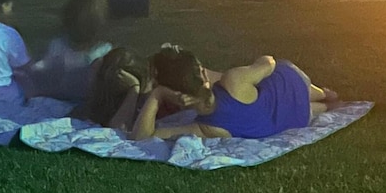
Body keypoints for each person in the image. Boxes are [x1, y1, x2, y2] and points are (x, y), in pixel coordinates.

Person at [130, 46, 337, 141]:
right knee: (283, 78)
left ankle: (325, 102)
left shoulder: (205, 129)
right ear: (202, 72)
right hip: (288, 85)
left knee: (314, 106)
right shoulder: (232, 80)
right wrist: (262, 60)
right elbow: (269, 63)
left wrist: (157, 95)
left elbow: (141, 136)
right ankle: (323, 94)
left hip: (296, 118)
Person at [18, 0, 113, 101]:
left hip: (82, 102)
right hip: (65, 99)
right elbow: (43, 66)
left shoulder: (103, 51)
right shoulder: (60, 45)